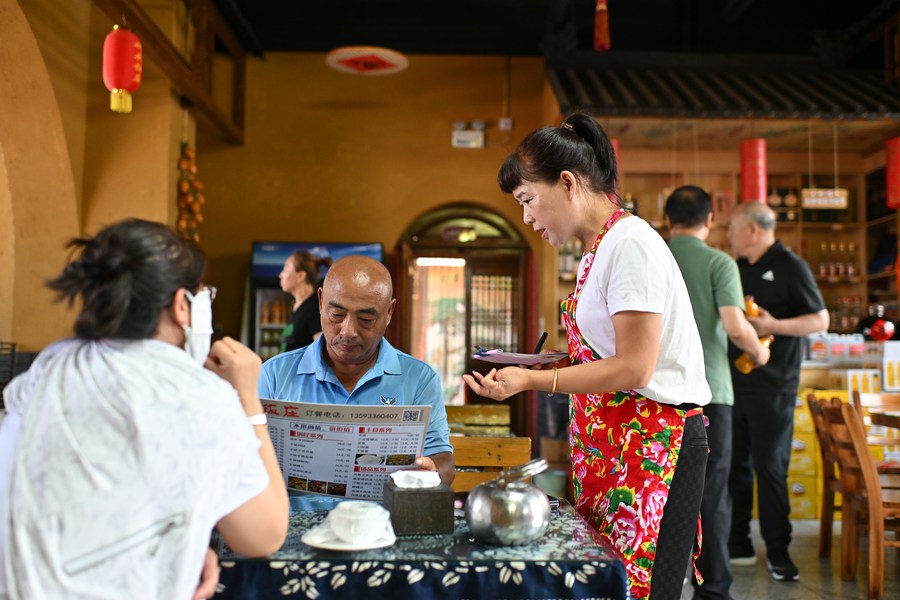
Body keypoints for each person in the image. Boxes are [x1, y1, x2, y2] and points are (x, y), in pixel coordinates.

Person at [462, 113, 710, 600]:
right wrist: (546, 364)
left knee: (639, 589)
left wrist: (533, 382)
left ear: (569, 183)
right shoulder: (599, 248)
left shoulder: (630, 244)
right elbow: (606, 353)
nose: (528, 219)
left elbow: (636, 367)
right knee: (606, 584)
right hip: (614, 448)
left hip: (654, 444)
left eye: (528, 201)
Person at [0, 219, 288, 600]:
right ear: (181, 306)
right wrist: (248, 398)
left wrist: (181, 540)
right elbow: (263, 534)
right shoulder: (196, 394)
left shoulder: (49, 368)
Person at [258, 255, 455, 485]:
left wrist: (432, 470)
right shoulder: (273, 375)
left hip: (383, 518)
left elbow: (444, 462)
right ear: (321, 302)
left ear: (389, 312)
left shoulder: (419, 379)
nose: (348, 330)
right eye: (337, 315)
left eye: (366, 318)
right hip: (293, 519)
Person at [665, 185, 771, 600]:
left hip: (654, 394)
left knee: (660, 490)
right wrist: (760, 351)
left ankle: (662, 584)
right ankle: (713, 589)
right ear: (710, 220)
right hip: (709, 394)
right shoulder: (719, 262)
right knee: (712, 493)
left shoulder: (655, 254)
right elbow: (734, 324)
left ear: (668, 220)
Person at [726, 202, 828, 582]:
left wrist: (774, 324)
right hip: (734, 384)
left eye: (734, 227)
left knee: (771, 467)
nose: (729, 234)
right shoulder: (734, 268)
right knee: (735, 466)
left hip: (775, 386)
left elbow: (821, 318)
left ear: (753, 230)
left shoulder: (790, 265)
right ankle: (739, 543)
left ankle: (779, 550)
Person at [279, 250, 331, 353]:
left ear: (300, 276)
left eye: (285, 268)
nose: (280, 275)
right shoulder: (297, 306)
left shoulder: (315, 306)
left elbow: (322, 353)